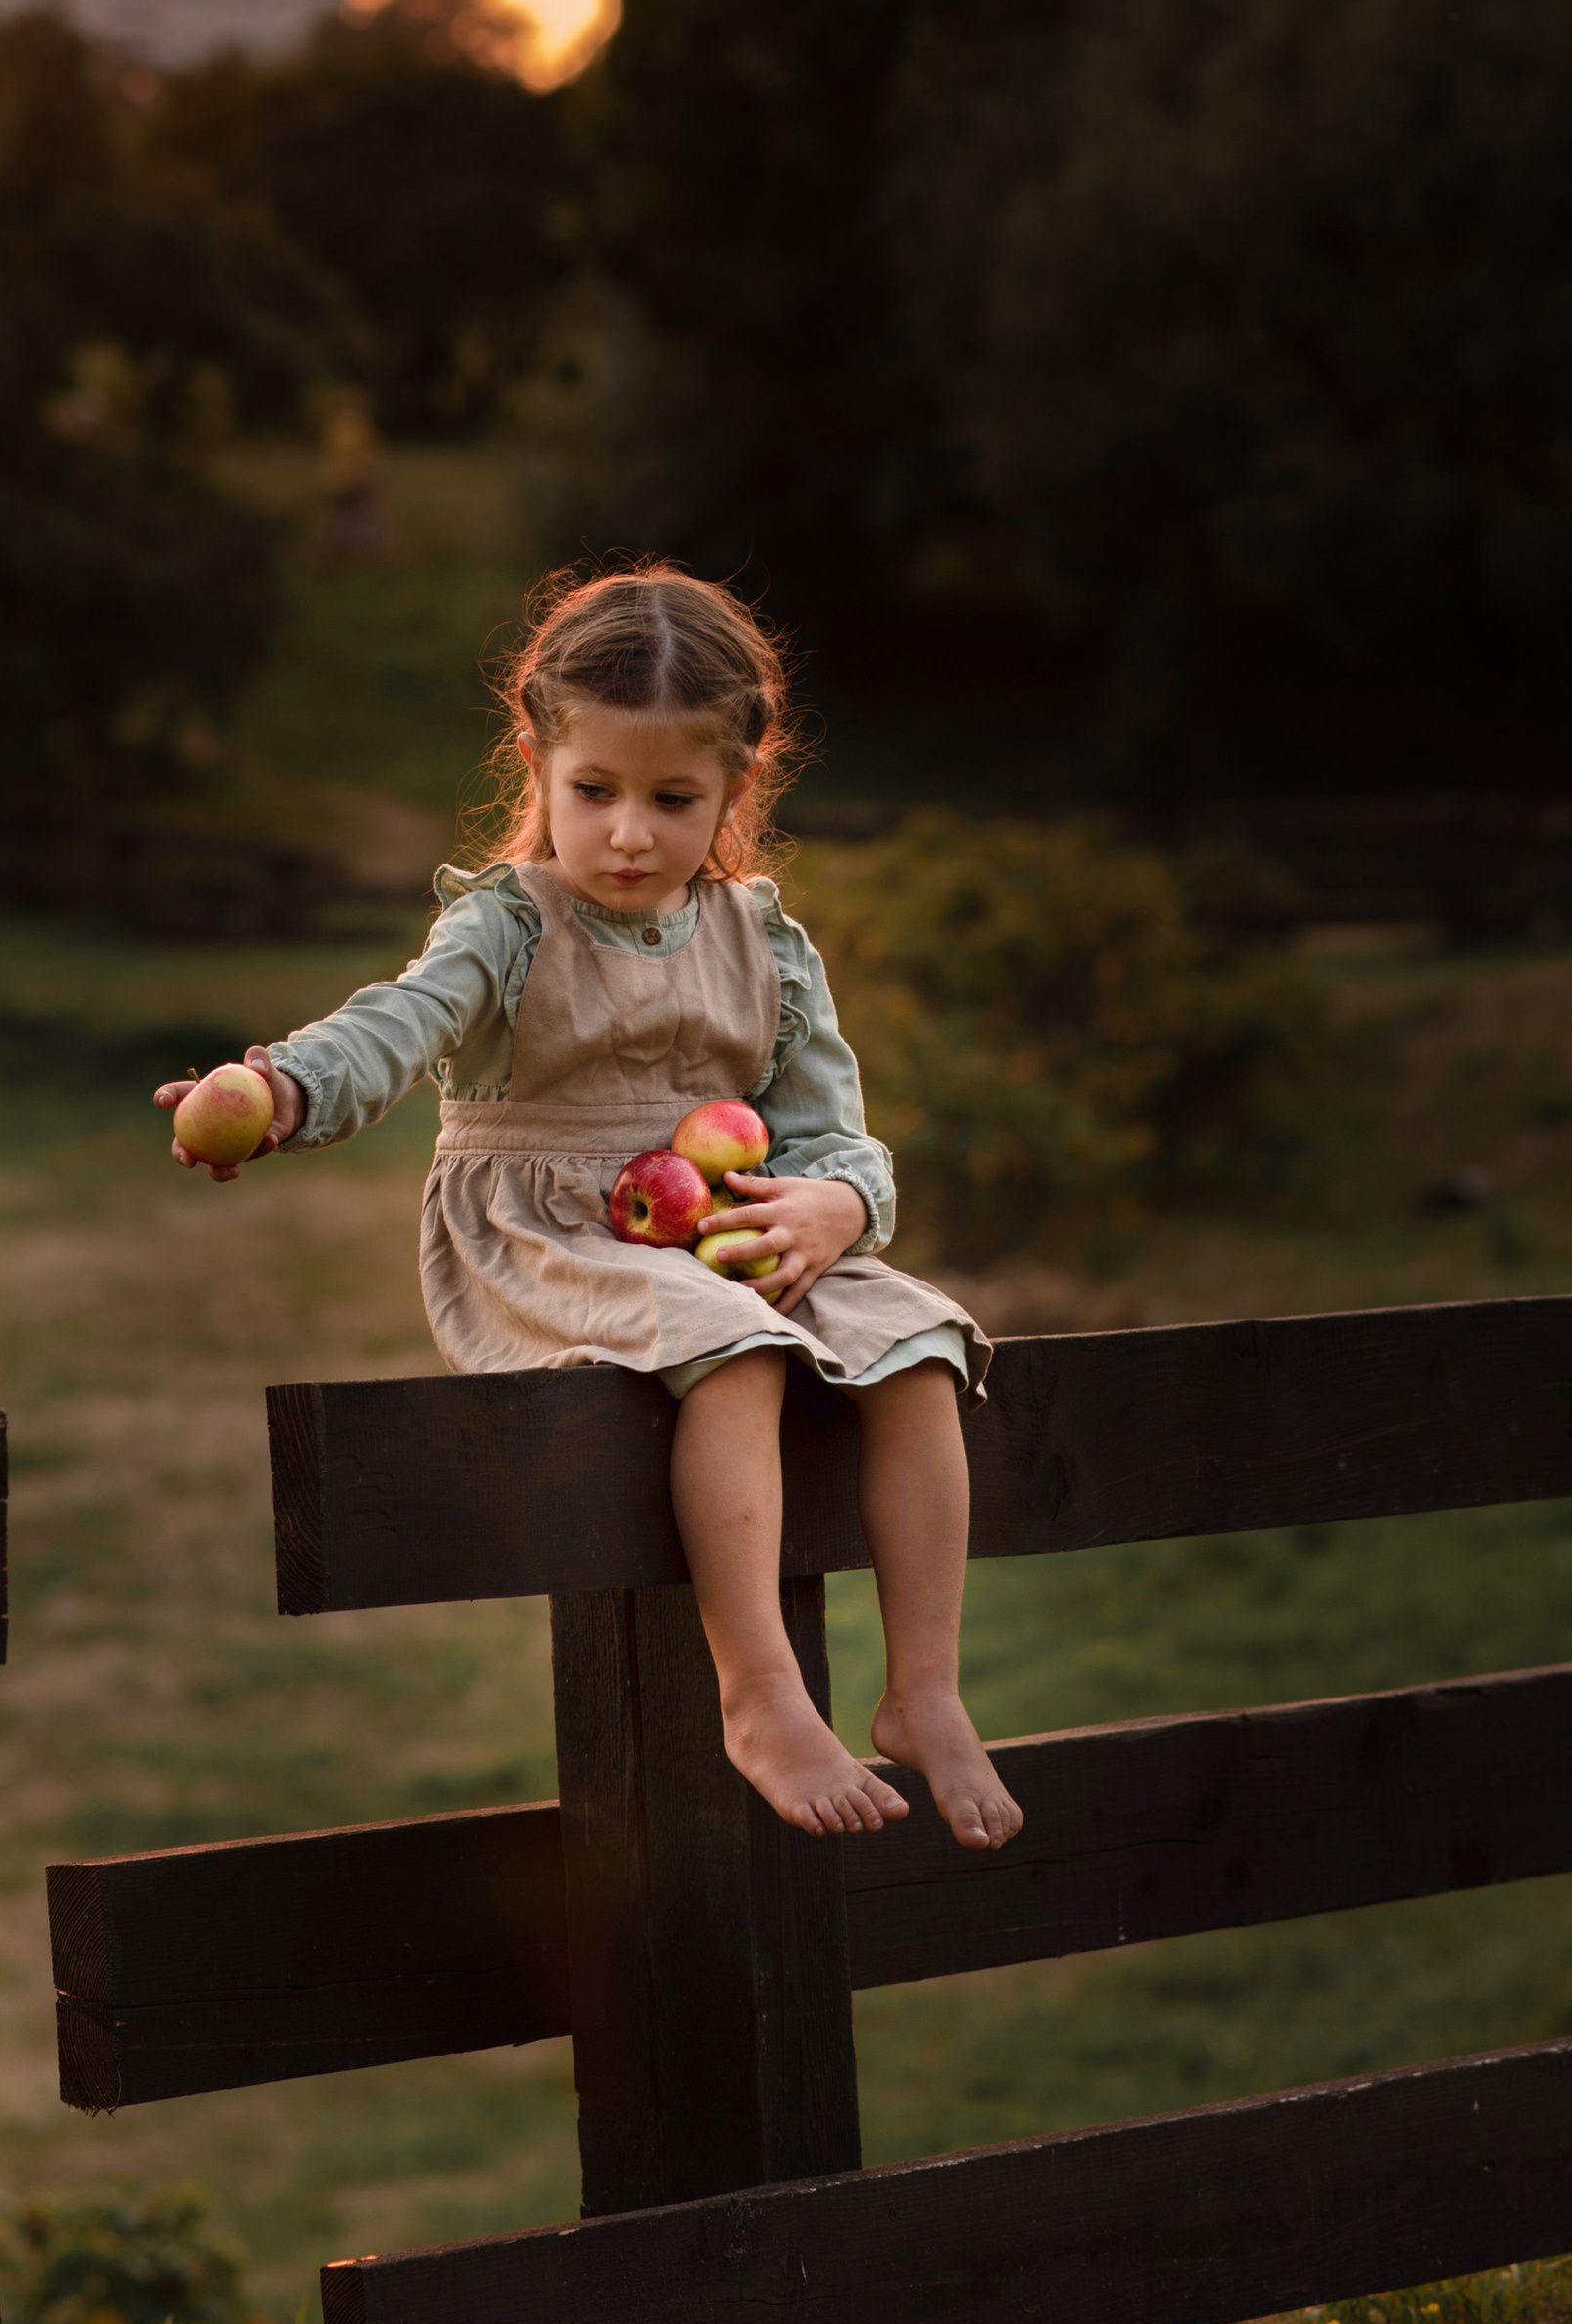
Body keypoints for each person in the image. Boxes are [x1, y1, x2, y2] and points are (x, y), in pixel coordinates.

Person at [152, 566, 1020, 1856]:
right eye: (595, 792)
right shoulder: (505, 923)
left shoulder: (765, 940)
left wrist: (839, 1203)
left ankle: (925, 1690)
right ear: (537, 759)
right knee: (732, 1353)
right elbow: (400, 1026)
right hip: (543, 1228)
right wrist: (280, 1087)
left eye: (673, 800)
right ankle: (763, 1693)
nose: (627, 834)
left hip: (726, 1220)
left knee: (922, 1346)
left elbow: (832, 1127)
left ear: (740, 780)